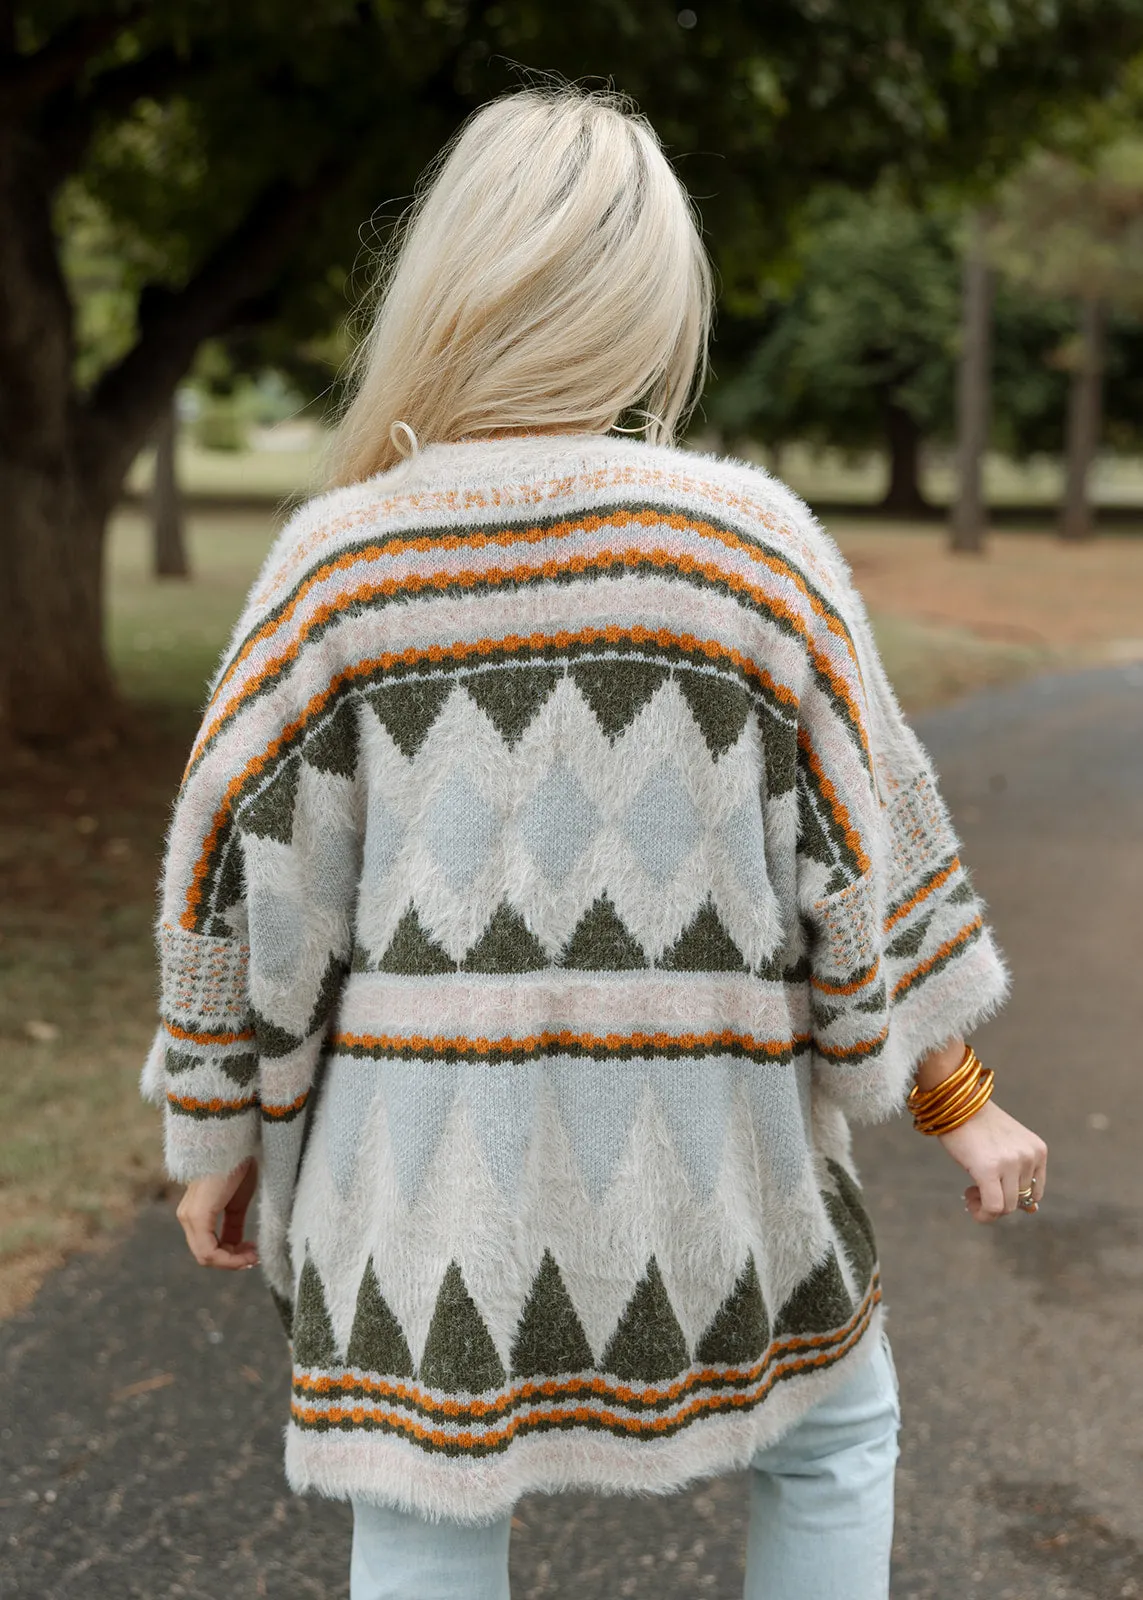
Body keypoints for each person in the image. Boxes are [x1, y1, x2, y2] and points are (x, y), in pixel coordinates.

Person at [144, 86, 1048, 1600]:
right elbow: (860, 868)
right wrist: (955, 1100)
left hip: (424, 1197)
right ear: (653, 302)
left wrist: (219, 1133)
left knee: (422, 1490)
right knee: (830, 1433)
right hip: (713, 1175)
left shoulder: (338, 561)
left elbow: (242, 884)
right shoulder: (746, 546)